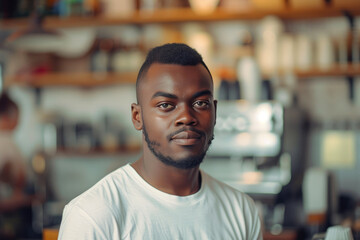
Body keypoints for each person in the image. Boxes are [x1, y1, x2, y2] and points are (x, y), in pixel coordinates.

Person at [58, 43, 262, 239]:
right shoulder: (93, 215)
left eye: (200, 103)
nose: (186, 117)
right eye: (166, 105)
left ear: (215, 112)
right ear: (138, 117)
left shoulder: (241, 211)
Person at [0, 92, 33, 239]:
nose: (18, 122)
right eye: (17, 117)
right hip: (8, 220)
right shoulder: (5, 142)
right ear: (7, 116)